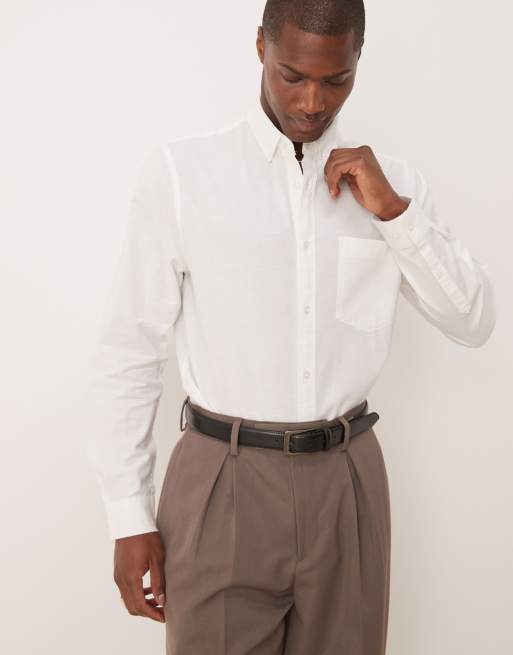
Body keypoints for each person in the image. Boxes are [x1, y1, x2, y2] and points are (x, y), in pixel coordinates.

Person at [84, 1, 496, 653]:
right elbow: (128, 352)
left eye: (336, 80)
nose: (311, 102)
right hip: (222, 481)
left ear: (358, 60)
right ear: (260, 47)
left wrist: (394, 214)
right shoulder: (184, 175)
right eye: (292, 75)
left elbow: (472, 320)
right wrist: (127, 514)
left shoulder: (394, 185)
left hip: (347, 481)